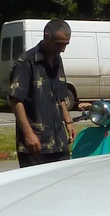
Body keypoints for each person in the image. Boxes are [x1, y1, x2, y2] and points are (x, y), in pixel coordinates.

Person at [8, 19, 75, 167]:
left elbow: (61, 96)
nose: (63, 49)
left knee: (64, 185)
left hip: (59, 142)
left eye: (66, 44)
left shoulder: (58, 60)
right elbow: (16, 99)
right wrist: (28, 133)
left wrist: (68, 122)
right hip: (36, 144)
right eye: (59, 44)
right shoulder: (26, 61)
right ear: (46, 36)